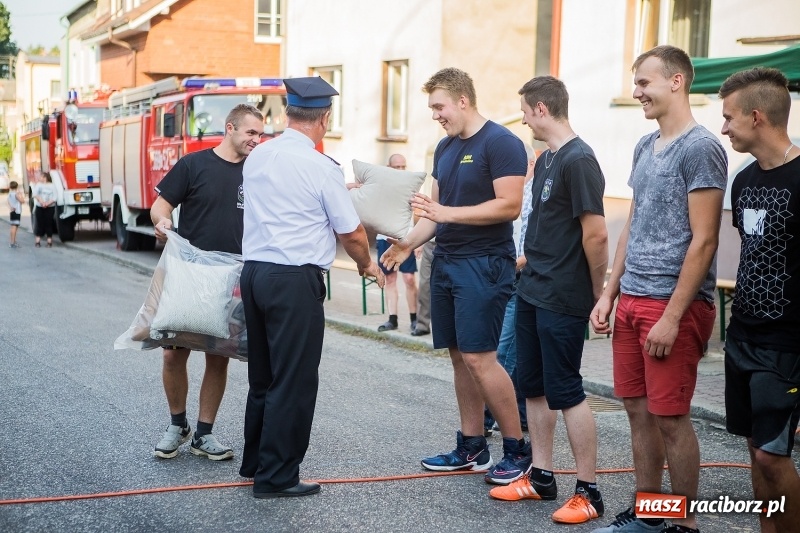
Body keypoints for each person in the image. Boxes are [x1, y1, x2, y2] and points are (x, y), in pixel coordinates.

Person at [589, 45, 727, 533]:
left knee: (670, 417)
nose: (636, 92)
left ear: (676, 82)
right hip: (630, 300)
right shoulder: (645, 146)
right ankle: (650, 515)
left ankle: (683, 523)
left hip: (674, 306)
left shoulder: (702, 147)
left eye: (644, 82)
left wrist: (672, 315)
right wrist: (609, 293)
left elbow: (706, 239)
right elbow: (634, 223)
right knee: (637, 411)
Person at [381, 67, 529, 486]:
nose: (435, 115)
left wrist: (446, 215)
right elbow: (434, 215)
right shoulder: (444, 148)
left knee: (482, 357)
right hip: (445, 261)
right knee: (460, 357)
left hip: (484, 264)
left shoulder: (503, 143)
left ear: (463, 101)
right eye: (432, 108)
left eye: (439, 106)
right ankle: (472, 447)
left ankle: (518, 451)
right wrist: (407, 242)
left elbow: (509, 205)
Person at [239, 76, 384, 499]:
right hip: (292, 280)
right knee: (295, 379)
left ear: (288, 114)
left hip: (256, 274)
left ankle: (256, 463)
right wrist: (366, 265)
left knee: (263, 376)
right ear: (324, 118)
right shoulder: (322, 167)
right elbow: (352, 232)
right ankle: (278, 476)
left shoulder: (259, 156)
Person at [489, 76, 608, 526]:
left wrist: (599, 295)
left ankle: (588, 491)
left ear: (541, 108)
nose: (521, 118)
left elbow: (595, 234)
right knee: (532, 387)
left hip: (563, 295)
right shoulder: (549, 158)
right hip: (533, 289)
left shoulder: (580, 159)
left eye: (524, 110)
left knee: (567, 391)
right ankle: (541, 478)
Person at [150, 104, 265, 461]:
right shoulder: (193, 164)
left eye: (260, 134)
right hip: (190, 272)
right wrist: (163, 222)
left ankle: (203, 434)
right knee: (172, 354)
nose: (256, 140)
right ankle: (177, 425)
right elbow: (160, 205)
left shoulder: (259, 171)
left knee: (218, 357)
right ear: (230, 127)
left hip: (234, 276)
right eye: (250, 133)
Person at [719, 67, 800, 533]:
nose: (724, 127)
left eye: (729, 118)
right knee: (755, 449)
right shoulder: (744, 180)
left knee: (773, 455)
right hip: (742, 336)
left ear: (756, 117)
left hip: (787, 345)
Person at [484, 147, 536, 436]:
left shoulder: (537, 194)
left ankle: (487, 419)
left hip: (521, 277)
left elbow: (537, 244)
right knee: (504, 349)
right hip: (500, 277)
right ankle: (517, 415)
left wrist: (515, 263)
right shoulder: (503, 195)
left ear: (529, 163)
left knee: (505, 351)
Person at [375, 154, 419, 333]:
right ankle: (392, 319)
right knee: (389, 279)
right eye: (397, 167)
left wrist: (419, 240)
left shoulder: (411, 187)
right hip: (384, 238)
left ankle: (414, 319)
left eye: (403, 166)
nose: (401, 170)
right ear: (389, 167)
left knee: (409, 279)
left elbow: (418, 213)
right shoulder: (380, 188)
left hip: (406, 239)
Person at [32, 172, 56, 248]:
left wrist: (47, 203)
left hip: (50, 207)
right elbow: (35, 194)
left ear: (45, 177)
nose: (39, 178)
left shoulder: (52, 186)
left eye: (41, 177)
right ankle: (37, 241)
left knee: (48, 223)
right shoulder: (38, 185)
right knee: (39, 223)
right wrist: (42, 202)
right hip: (40, 206)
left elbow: (55, 197)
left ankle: (49, 242)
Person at [7, 180, 25, 248]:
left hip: (12, 211)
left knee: (12, 227)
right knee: (15, 227)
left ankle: (12, 241)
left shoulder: (10, 193)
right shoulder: (16, 194)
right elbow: (22, 201)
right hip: (17, 211)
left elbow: (8, 201)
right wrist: (21, 195)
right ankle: (12, 242)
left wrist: (10, 207)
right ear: (17, 187)